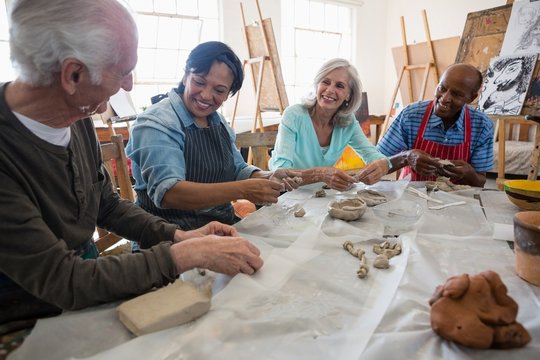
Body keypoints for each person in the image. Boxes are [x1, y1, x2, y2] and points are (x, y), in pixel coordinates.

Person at [0, 0, 263, 325]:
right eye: (123, 72)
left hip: (83, 284)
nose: (129, 85)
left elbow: (105, 204)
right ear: (73, 74)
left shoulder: (77, 112)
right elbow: (63, 280)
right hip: (25, 318)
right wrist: (187, 254)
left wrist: (179, 237)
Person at [126, 41, 299, 231]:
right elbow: (169, 194)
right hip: (168, 236)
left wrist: (268, 176)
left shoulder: (217, 122)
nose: (207, 96)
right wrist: (244, 189)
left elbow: (237, 168)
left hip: (219, 226)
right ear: (185, 76)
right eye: (199, 82)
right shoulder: (157, 123)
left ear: (228, 94)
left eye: (219, 90)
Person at [268, 58, 390, 191]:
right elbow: (281, 171)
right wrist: (321, 174)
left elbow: (372, 155)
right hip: (287, 194)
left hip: (320, 194)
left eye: (339, 86)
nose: (330, 90)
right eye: (325, 82)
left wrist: (382, 164)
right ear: (317, 85)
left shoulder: (348, 122)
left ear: (348, 95)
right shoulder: (294, 115)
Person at [377, 63, 494, 187]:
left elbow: (480, 182)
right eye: (442, 88)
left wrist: (468, 173)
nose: (444, 98)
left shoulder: (482, 126)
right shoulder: (411, 116)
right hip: (411, 195)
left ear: (471, 98)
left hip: (458, 199)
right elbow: (377, 163)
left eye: (456, 94)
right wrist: (406, 157)